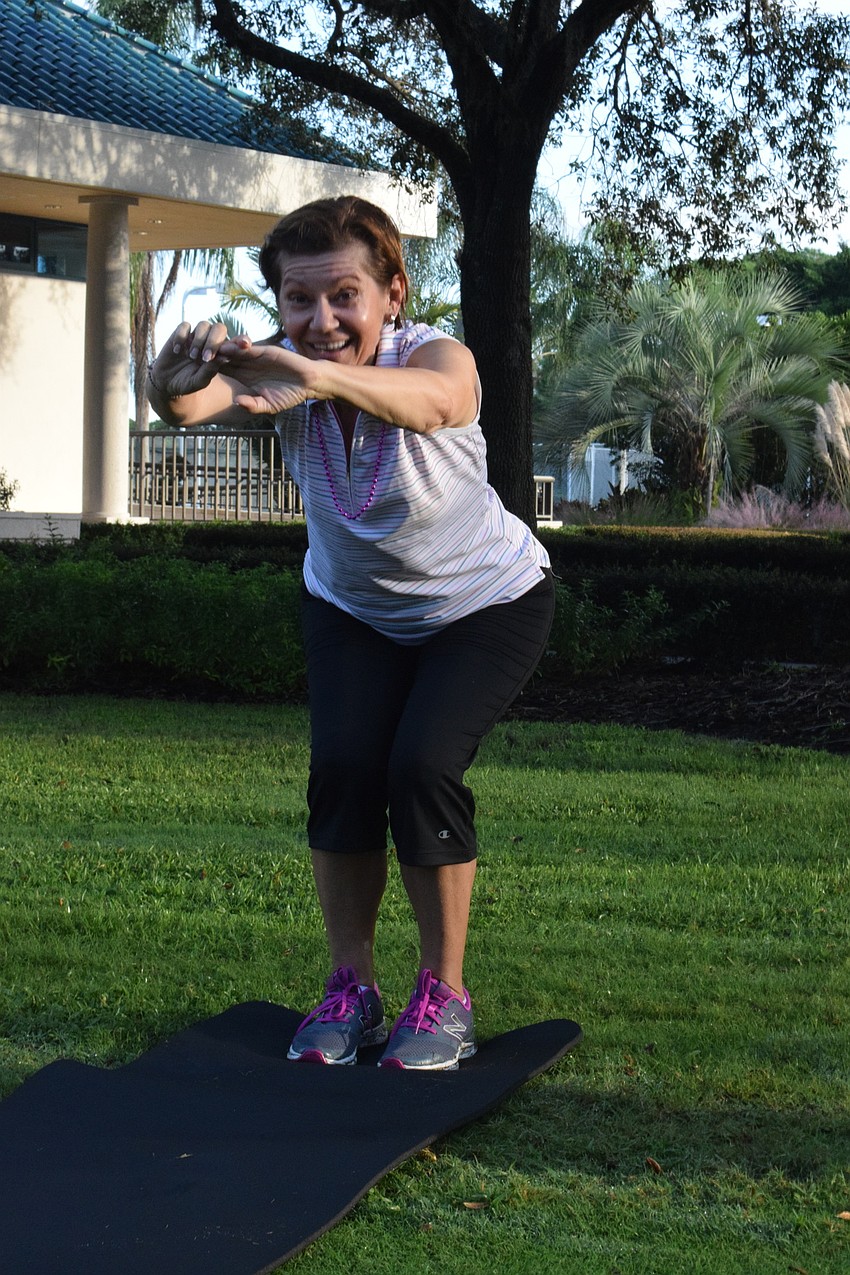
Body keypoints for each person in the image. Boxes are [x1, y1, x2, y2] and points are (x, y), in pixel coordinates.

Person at [147, 196, 554, 1071]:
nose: (322, 320)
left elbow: (439, 402)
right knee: (340, 769)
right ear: (280, 304)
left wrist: (311, 374)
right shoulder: (276, 372)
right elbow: (186, 408)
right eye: (300, 301)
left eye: (344, 296)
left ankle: (443, 996)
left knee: (421, 766)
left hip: (484, 605)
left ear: (392, 294)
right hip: (352, 609)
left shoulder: (435, 354)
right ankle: (352, 988)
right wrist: (168, 381)